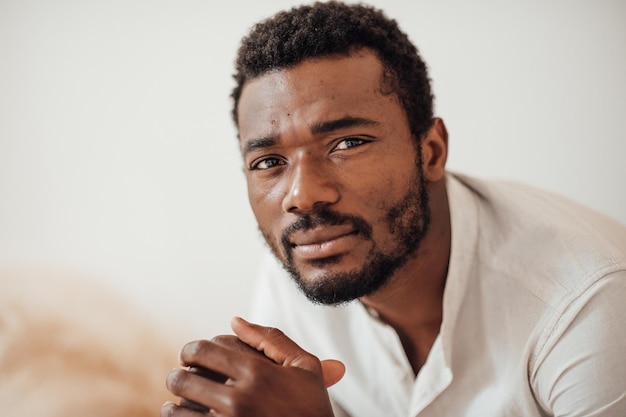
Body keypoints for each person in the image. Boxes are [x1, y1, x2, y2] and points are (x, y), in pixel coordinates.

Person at [161, 2, 626, 416]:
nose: (302, 196)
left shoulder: (587, 307)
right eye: (269, 162)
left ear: (431, 151)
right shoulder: (300, 266)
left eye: (347, 143)